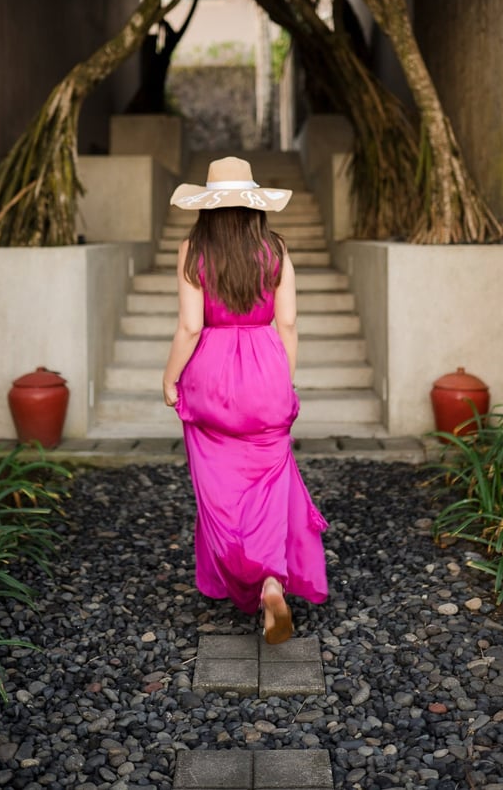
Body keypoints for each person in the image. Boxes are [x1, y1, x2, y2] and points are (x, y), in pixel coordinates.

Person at [162, 156, 328, 644]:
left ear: (208, 207)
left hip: (211, 376)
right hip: (265, 371)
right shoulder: (275, 249)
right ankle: (273, 579)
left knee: (220, 489)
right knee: (270, 484)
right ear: (254, 206)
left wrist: (170, 376)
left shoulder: (192, 250)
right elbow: (290, 323)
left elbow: (191, 325)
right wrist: (283, 378)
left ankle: (239, 576)